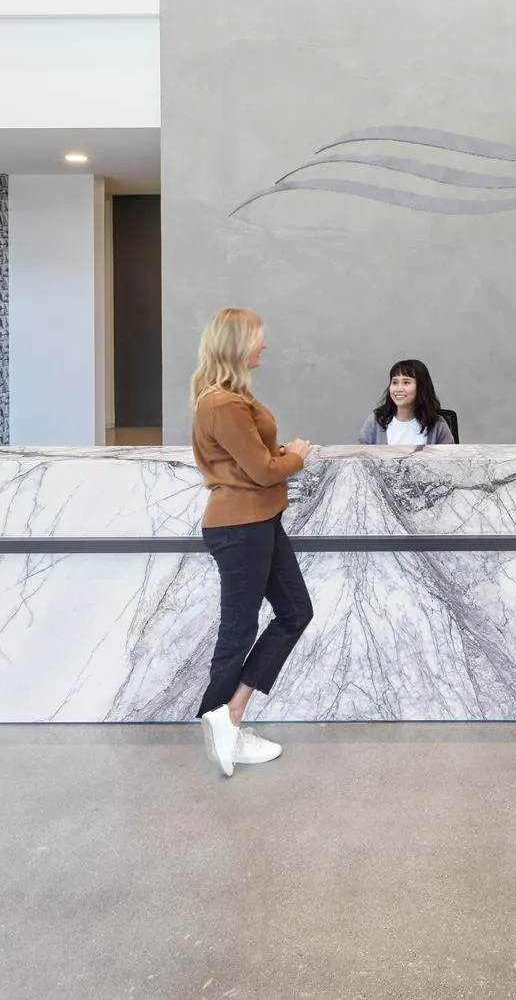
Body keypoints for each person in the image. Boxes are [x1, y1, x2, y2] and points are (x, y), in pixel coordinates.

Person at [190, 307, 315, 778]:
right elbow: (262, 472)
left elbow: (255, 460)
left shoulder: (229, 398)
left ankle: (232, 713)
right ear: (238, 343)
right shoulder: (222, 403)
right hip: (240, 527)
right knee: (238, 630)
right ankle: (219, 716)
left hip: (261, 521)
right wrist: (296, 456)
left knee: (295, 612)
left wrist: (275, 457)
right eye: (260, 338)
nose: (265, 345)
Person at [356, 359, 458, 447]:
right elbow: (360, 463)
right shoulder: (375, 422)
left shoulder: (437, 425)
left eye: (406, 382)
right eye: (394, 382)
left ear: (421, 387)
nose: (398, 389)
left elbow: (450, 465)